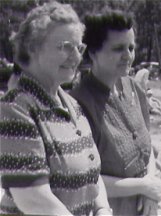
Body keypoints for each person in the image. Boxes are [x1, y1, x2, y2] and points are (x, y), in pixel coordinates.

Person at [0, 2, 111, 215]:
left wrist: (103, 209)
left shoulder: (72, 105)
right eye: (65, 47)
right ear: (32, 47)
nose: (76, 57)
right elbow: (33, 199)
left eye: (79, 48)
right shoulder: (16, 109)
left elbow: (93, 174)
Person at [70, 10, 161, 216]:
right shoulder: (79, 103)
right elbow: (85, 178)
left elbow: (147, 150)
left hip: (146, 208)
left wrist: (150, 187)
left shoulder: (134, 89)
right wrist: (144, 187)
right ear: (93, 52)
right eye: (118, 48)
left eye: (131, 47)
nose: (128, 55)